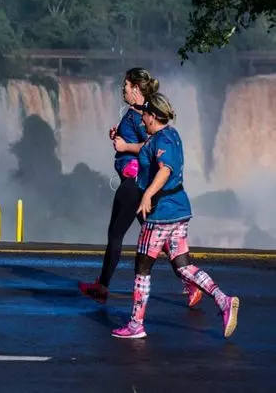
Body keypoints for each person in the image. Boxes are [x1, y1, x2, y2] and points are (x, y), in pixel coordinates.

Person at [112, 93, 239, 339]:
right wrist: (123, 145)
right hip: (179, 211)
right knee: (183, 266)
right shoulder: (170, 135)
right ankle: (223, 300)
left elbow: (165, 170)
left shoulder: (162, 141)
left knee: (142, 267)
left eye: (145, 115)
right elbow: (147, 149)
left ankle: (136, 324)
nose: (142, 119)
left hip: (161, 214)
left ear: (153, 116)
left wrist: (148, 194)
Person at [78, 68, 201, 308]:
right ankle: (190, 283)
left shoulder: (141, 116)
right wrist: (119, 135)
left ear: (135, 88)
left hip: (134, 184)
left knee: (116, 234)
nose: (122, 89)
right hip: (138, 184)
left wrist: (125, 147)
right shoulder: (136, 114)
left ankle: (102, 288)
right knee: (159, 238)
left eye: (125, 85)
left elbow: (151, 144)